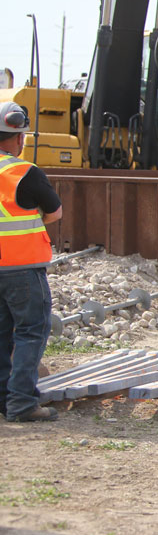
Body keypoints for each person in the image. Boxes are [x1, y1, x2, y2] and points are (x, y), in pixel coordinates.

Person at [0, 101, 63, 422]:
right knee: (30, 332)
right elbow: (55, 212)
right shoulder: (24, 172)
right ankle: (22, 403)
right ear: (18, 137)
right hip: (22, 268)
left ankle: (4, 400)